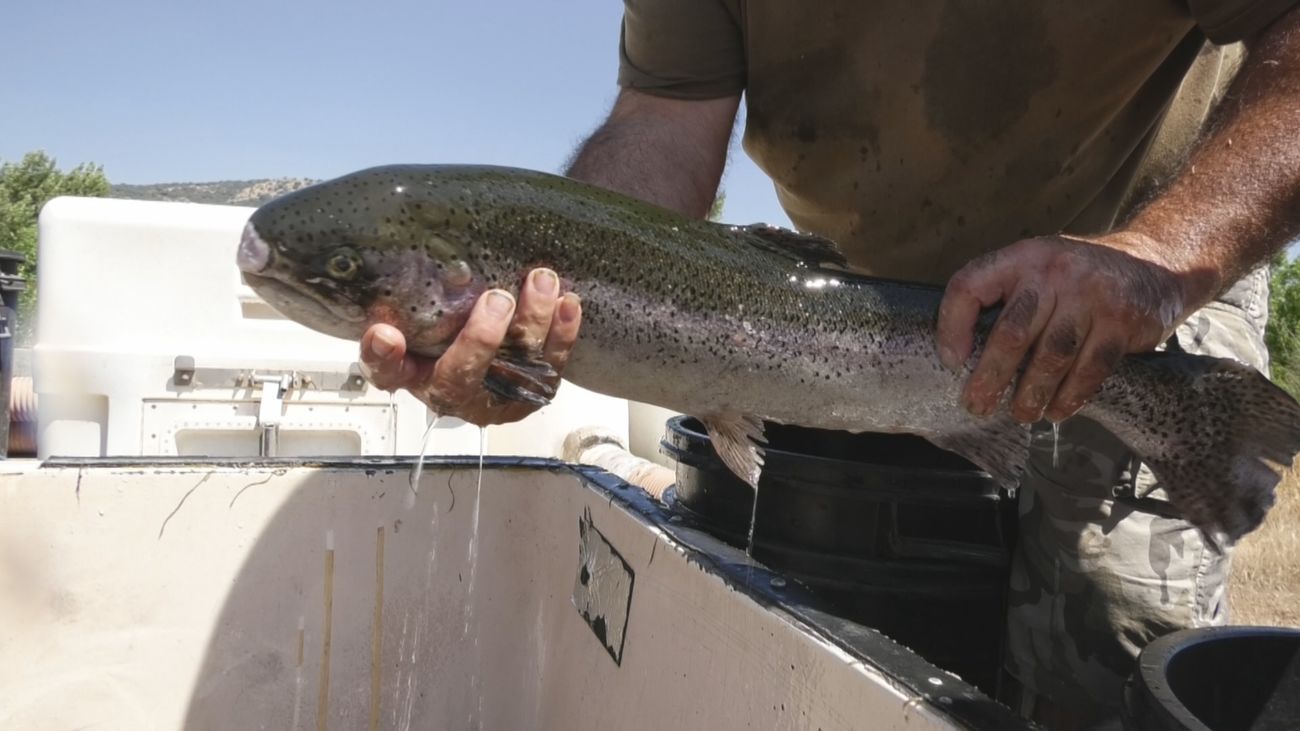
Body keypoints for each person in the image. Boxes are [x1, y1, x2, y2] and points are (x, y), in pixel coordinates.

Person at [359, 1, 1300, 726]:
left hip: (1148, 252)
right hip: (857, 308)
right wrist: (540, 305)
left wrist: (1164, 261)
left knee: (1113, 646)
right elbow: (662, 128)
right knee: (835, 638)